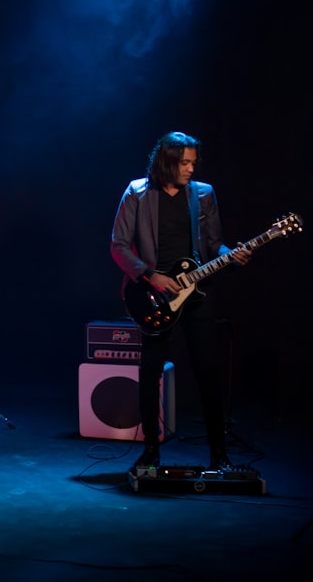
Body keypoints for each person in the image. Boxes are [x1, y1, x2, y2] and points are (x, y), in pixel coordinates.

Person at [110, 131, 251, 471]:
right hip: (153, 294)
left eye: (193, 162)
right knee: (150, 373)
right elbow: (119, 245)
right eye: (183, 163)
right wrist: (150, 275)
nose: (190, 168)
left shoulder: (202, 195)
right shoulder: (138, 193)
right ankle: (150, 452)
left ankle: (220, 455)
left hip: (198, 293)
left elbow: (214, 244)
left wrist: (231, 254)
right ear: (166, 162)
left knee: (209, 373)